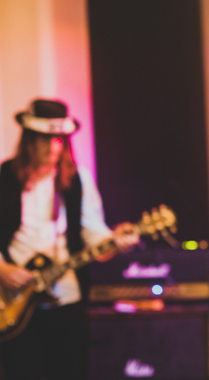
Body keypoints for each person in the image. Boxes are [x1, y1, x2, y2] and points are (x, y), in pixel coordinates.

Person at [0, 99, 139, 380]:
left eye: (59, 140)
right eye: (45, 139)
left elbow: (94, 235)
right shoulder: (6, 177)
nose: (53, 147)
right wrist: (2, 270)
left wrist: (115, 240)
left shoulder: (78, 180)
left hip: (66, 299)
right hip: (14, 303)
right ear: (29, 139)